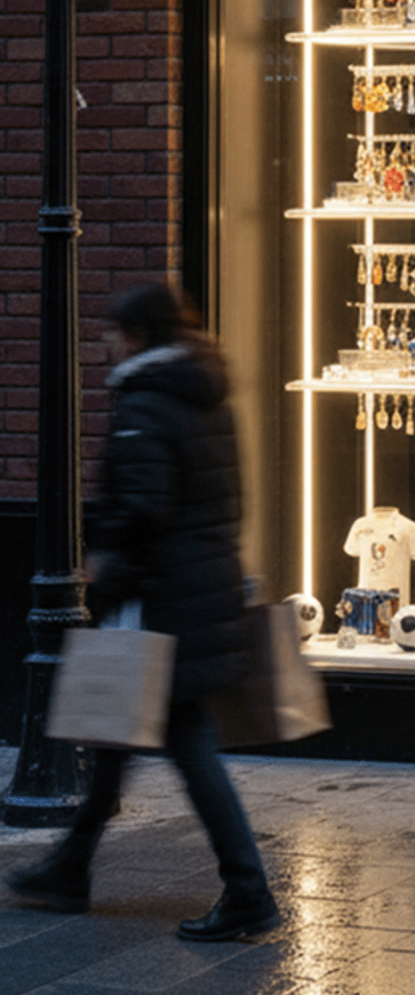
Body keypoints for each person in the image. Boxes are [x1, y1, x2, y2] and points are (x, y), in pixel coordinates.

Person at [7, 283, 280, 941]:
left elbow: (140, 511)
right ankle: (69, 868)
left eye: (114, 333)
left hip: (164, 604)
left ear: (137, 337)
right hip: (201, 587)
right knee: (111, 739)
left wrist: (102, 584)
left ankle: (248, 890)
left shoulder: (146, 404)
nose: (105, 344)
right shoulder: (206, 395)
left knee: (188, 744)